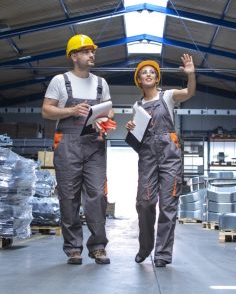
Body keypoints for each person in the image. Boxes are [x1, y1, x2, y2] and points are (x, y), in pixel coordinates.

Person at [42, 34, 113, 266]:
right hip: (67, 144)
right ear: (74, 56)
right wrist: (72, 111)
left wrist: (106, 122)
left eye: (92, 51)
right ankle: (73, 248)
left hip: (95, 145)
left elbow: (108, 112)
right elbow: (47, 111)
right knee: (69, 197)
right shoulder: (60, 81)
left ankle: (98, 246)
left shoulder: (101, 83)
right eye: (85, 51)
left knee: (97, 196)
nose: (91, 55)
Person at [125, 54, 196, 267]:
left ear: (157, 79)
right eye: (144, 72)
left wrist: (191, 75)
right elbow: (137, 137)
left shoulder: (167, 96)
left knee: (168, 206)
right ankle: (145, 247)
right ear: (139, 79)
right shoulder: (136, 106)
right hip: (147, 156)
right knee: (144, 203)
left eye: (152, 72)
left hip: (170, 156)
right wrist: (130, 128)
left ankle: (163, 254)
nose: (148, 74)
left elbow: (189, 92)